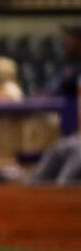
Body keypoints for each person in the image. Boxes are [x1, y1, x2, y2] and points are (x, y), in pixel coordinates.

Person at [29, 25, 81, 185]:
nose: (66, 42)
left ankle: (61, 197)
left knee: (66, 179)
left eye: (71, 39)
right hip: (73, 136)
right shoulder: (67, 65)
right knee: (58, 151)